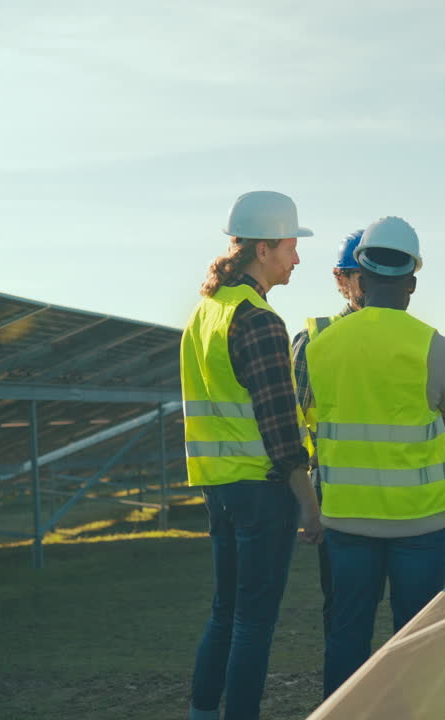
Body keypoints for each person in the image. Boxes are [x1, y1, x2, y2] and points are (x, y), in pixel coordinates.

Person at [304, 216, 445, 697]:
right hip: (418, 526)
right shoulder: (435, 348)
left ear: (360, 274)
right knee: (418, 640)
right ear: (413, 282)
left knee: (346, 637)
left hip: (345, 522)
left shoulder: (320, 347)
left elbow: (316, 422)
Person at [181, 190, 323, 720]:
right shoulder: (258, 319)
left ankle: (201, 713)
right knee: (254, 622)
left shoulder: (206, 312)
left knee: (225, 613)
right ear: (262, 249)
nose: (296, 258)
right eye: (290, 246)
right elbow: (281, 427)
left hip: (218, 487)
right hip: (262, 490)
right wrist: (308, 503)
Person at [289, 228, 365, 642]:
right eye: (359, 273)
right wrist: (307, 501)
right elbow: (294, 427)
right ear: (341, 280)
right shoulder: (313, 342)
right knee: (344, 618)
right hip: (338, 505)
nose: (370, 282)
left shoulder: (416, 342)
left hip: (407, 508)